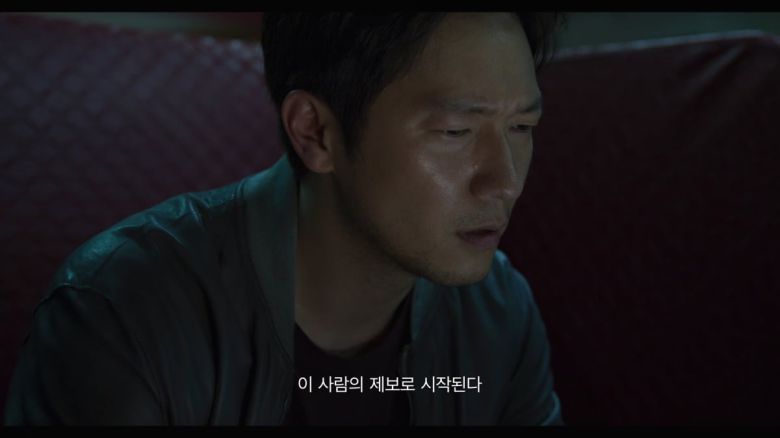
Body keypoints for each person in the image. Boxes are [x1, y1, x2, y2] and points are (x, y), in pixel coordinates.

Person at [5, 12, 564, 425]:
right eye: (455, 132)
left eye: (522, 129)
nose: (506, 180)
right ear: (314, 132)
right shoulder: (123, 311)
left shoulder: (497, 314)